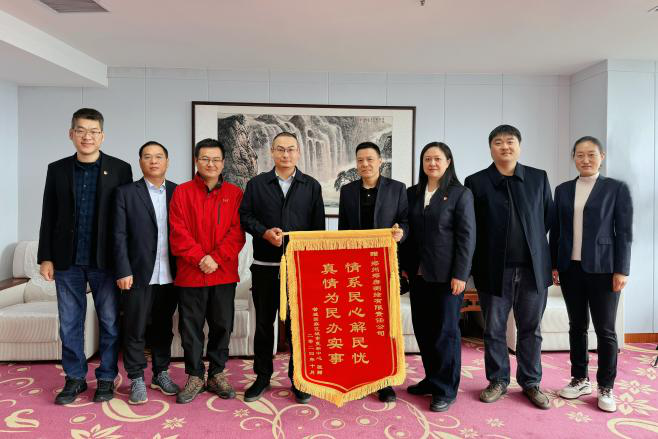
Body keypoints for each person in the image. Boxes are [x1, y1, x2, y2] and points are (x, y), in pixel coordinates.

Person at [38, 108, 133, 404]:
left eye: (93, 131)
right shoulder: (57, 169)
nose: (87, 137)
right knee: (69, 322)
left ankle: (106, 378)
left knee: (109, 322)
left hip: (106, 261)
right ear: (71, 134)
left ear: (102, 136)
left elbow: (125, 219)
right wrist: (46, 257)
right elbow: (48, 214)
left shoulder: (120, 169)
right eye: (81, 130)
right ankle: (75, 378)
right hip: (67, 261)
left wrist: (125, 263)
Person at [464, 125, 553, 410]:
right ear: (491, 148)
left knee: (531, 329)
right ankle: (498, 380)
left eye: (510, 141)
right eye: (498, 142)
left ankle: (531, 382)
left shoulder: (538, 178)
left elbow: (547, 219)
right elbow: (471, 227)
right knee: (494, 329)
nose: (505, 147)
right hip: (493, 270)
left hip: (532, 270)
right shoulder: (476, 182)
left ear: (519, 146)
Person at [239, 131, 325, 404]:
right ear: (272, 152)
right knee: (264, 324)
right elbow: (245, 216)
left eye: (290, 149)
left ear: (298, 152)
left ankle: (298, 378)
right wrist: (264, 232)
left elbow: (318, 228)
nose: (285, 154)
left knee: (299, 326)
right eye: (280, 149)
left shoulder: (311, 186)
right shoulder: (256, 184)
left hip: (299, 268)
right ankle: (262, 376)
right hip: (265, 266)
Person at [550, 136, 632, 413]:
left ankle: (606, 386)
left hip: (604, 270)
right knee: (577, 326)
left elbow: (624, 232)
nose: (585, 160)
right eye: (580, 155)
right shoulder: (562, 190)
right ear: (573, 157)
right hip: (570, 268)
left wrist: (622, 270)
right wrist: (554, 264)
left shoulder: (616, 189)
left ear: (601, 157)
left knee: (605, 330)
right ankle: (580, 378)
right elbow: (556, 231)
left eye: (591, 154)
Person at [169, 138, 246, 404]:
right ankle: (194, 376)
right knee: (190, 329)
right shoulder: (182, 192)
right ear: (196, 161)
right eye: (205, 159)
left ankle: (216, 374)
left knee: (222, 326)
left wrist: (215, 258)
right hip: (191, 274)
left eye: (215, 159)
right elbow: (178, 232)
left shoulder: (235, 194)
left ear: (223, 163)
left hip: (223, 273)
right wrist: (200, 258)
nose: (210, 164)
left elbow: (237, 233)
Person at [402, 142, 475, 412]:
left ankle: (446, 389)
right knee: (424, 330)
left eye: (437, 158)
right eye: (427, 159)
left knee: (446, 332)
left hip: (447, 277)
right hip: (419, 274)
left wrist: (461, 275)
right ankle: (432, 379)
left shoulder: (460, 194)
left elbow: (467, 238)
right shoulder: (412, 193)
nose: (432, 163)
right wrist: (404, 265)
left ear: (448, 162)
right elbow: (407, 232)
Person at [337, 141, 408, 403]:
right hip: (356, 267)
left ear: (380, 161)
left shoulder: (397, 189)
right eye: (360, 160)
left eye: (369, 159)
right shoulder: (347, 191)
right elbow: (343, 230)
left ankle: (384, 380)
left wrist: (401, 233)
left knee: (383, 323)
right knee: (358, 323)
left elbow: (406, 222)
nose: (365, 164)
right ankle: (360, 375)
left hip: (384, 266)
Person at [113, 141, 180, 404]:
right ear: (140, 162)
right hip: (137, 273)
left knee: (163, 327)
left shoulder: (178, 191)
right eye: (148, 157)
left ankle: (161, 373)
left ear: (167, 161)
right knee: (134, 327)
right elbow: (118, 235)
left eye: (159, 156)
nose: (153, 161)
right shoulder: (126, 193)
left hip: (171, 273)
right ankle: (136, 377)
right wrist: (123, 269)